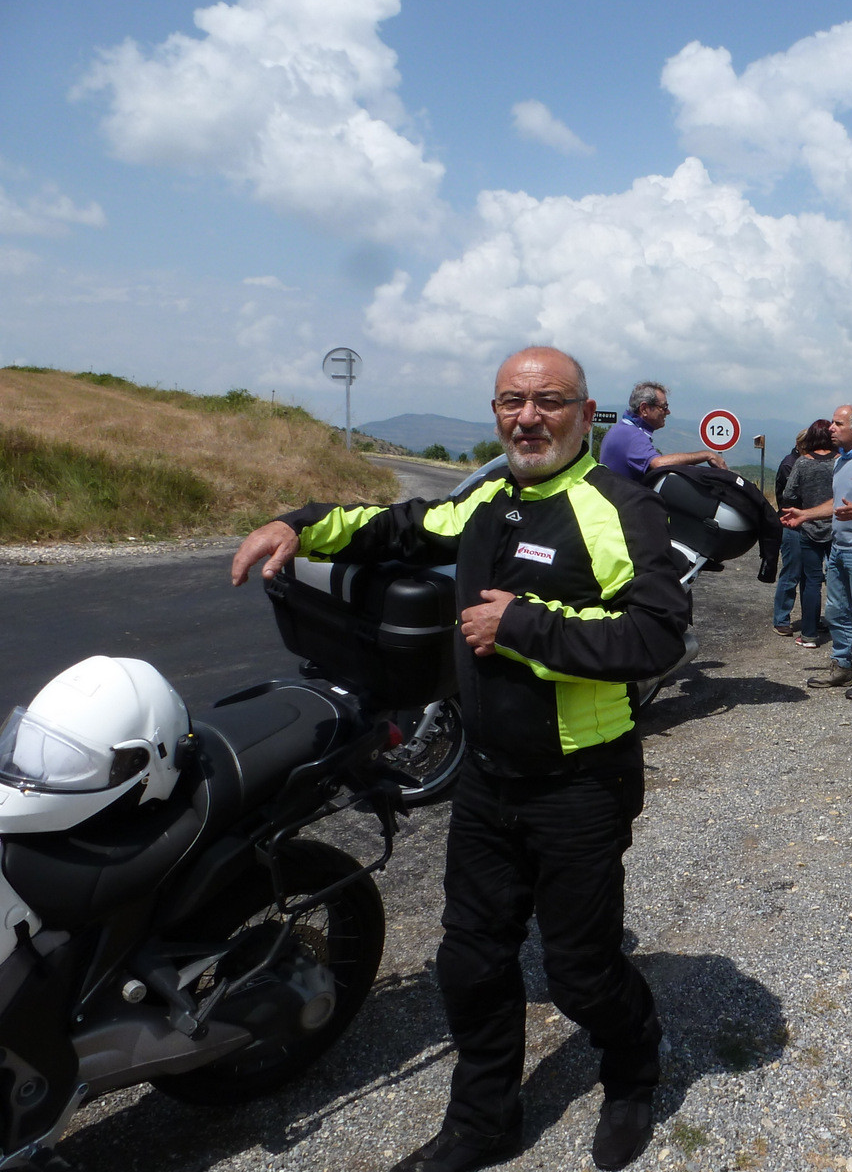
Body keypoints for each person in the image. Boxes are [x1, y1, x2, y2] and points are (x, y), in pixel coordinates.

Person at [230, 347, 689, 1172]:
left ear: (586, 415)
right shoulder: (485, 499)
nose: (528, 417)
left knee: (581, 974)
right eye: (512, 401)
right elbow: (395, 528)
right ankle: (483, 1125)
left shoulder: (617, 507)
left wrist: (523, 626)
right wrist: (296, 524)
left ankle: (634, 1069)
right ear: (496, 413)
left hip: (581, 781)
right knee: (471, 961)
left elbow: (657, 637)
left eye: (549, 401)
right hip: (486, 779)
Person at [780, 405, 852, 699]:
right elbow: (837, 504)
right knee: (835, 611)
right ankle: (843, 666)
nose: (831, 428)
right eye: (832, 423)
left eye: (837, 423)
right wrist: (805, 515)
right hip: (838, 548)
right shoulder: (842, 461)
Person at [779, 419, 837, 648]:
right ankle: (848, 634)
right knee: (840, 582)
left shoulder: (803, 463)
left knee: (811, 581)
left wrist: (804, 508)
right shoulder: (841, 462)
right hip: (837, 528)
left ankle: (810, 634)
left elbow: (788, 494)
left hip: (809, 527)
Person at [599, 380, 728, 482]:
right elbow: (659, 463)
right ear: (644, 409)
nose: (668, 412)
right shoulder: (630, 434)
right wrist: (706, 455)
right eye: (664, 407)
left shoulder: (623, 428)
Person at [771, 428, 810, 635]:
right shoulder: (790, 464)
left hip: (805, 524)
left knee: (808, 575)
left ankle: (809, 618)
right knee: (792, 572)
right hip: (791, 525)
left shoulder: (797, 462)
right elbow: (795, 496)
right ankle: (781, 619)